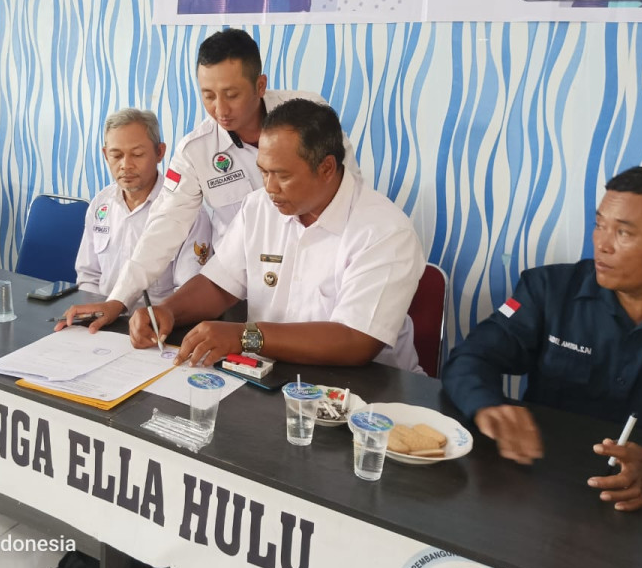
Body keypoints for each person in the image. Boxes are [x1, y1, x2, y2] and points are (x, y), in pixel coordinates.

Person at [60, 28, 360, 329]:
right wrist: (119, 299)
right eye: (208, 96)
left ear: (260, 85)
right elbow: (164, 227)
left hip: (321, 278)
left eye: (232, 95)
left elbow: (349, 196)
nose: (220, 109)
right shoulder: (196, 151)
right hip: (240, 290)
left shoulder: (308, 117)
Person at [442, 164, 642, 511]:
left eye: (624, 233)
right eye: (599, 225)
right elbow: (471, 356)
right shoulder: (549, 290)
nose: (601, 244)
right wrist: (487, 404)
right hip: (539, 492)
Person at [128, 98, 425, 370]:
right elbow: (219, 284)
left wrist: (245, 337)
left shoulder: (385, 231)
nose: (269, 187)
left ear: (326, 168)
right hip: (270, 376)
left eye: (282, 175)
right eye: (264, 171)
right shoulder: (259, 207)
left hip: (367, 392)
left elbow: (355, 342)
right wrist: (167, 312)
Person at [72, 109, 212, 309]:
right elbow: (88, 275)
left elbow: (188, 290)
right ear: (105, 154)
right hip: (103, 316)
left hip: (158, 321)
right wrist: (94, 314)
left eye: (137, 154)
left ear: (159, 152)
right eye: (116, 155)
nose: (126, 165)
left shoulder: (187, 211)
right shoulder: (100, 204)